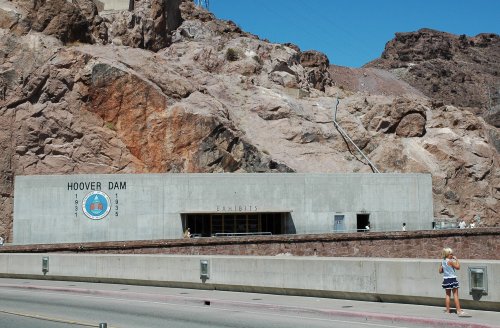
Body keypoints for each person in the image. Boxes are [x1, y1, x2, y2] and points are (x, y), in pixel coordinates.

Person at [439, 247, 470, 317]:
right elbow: (458, 267)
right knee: (455, 295)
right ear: (447, 254)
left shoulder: (443, 261)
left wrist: (446, 269)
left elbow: (440, 271)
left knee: (447, 295)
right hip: (452, 279)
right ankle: (459, 311)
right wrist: (457, 260)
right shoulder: (450, 261)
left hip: (446, 279)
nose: (452, 255)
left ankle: (447, 311)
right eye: (450, 254)